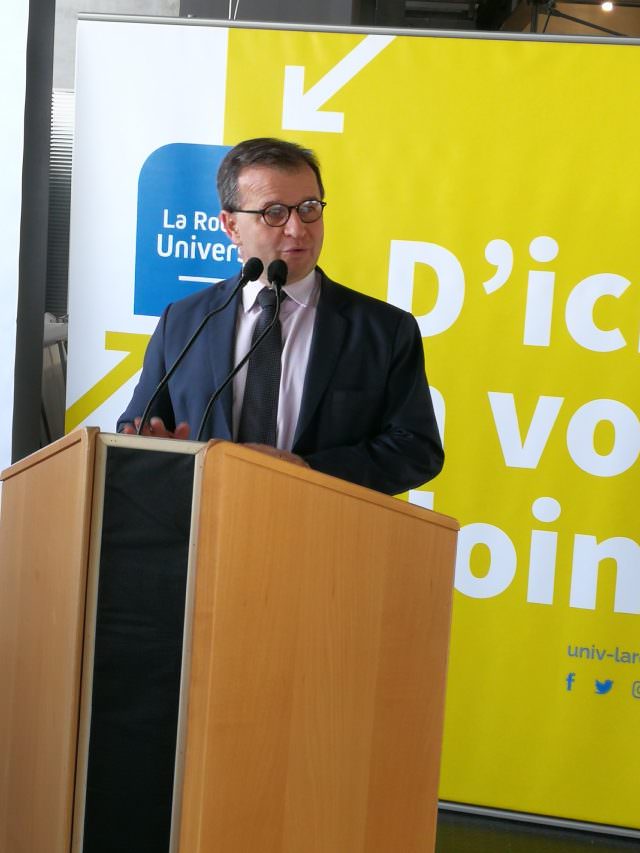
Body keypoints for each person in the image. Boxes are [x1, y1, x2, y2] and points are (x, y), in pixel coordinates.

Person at [118, 137, 443, 495]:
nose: (298, 229)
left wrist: (308, 471)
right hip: (204, 518)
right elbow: (136, 427)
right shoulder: (184, 321)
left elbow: (417, 450)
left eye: (308, 208)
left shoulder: (383, 330)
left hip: (324, 522)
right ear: (231, 226)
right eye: (274, 213)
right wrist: (159, 451)